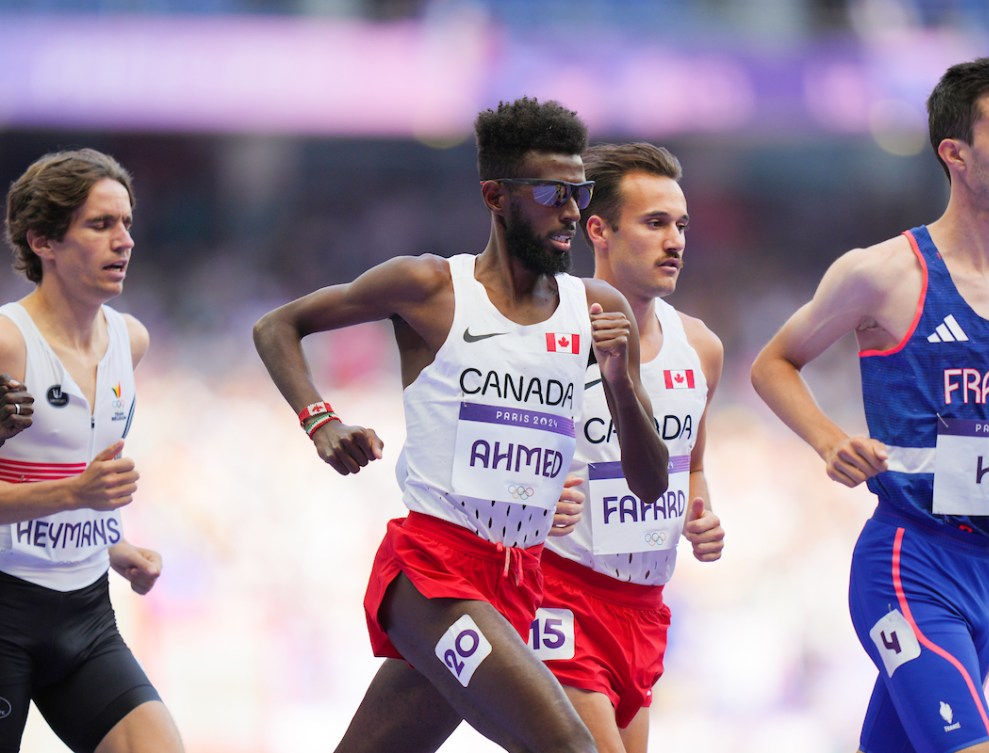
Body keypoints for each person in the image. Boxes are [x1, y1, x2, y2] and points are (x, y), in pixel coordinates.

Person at [252, 97, 669, 753]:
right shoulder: (429, 287)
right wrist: (320, 420)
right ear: (495, 196)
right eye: (549, 192)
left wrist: (618, 379)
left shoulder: (597, 309)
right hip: (432, 572)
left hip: (519, 581)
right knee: (572, 746)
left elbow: (648, 484)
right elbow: (276, 325)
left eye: (579, 191)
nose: (571, 210)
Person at [751, 57, 989, 753]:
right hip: (907, 567)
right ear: (955, 154)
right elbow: (772, 363)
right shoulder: (880, 274)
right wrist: (826, 440)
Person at [532, 142, 724, 753]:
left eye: (682, 225)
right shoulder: (543, 332)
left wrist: (703, 514)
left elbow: (690, 465)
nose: (676, 241)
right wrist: (537, 496)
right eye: (655, 222)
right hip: (558, 594)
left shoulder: (700, 348)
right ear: (599, 230)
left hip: (642, 608)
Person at [0, 149, 184, 753]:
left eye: (127, 223)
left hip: (85, 615)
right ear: (44, 242)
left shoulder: (130, 341)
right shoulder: (6, 342)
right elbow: (73, 485)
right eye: (100, 224)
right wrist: (76, 495)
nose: (124, 240)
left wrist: (114, 543)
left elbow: (75, 470)